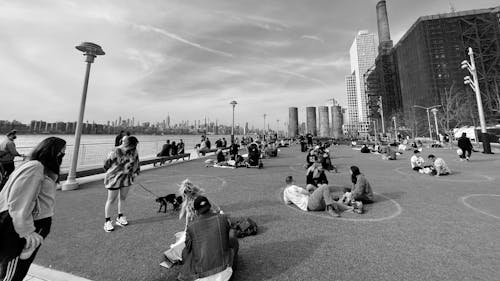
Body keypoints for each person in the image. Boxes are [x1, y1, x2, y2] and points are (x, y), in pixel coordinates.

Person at [0, 137, 66, 281]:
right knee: (13, 271)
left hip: (34, 222)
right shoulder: (36, 167)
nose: (62, 156)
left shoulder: (35, 166)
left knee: (17, 268)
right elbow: (18, 200)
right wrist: (27, 231)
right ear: (51, 151)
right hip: (29, 224)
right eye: (61, 153)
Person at [178, 196, 238, 281]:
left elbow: (188, 248)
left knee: (185, 251)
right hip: (226, 274)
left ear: (196, 211)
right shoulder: (223, 218)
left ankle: (190, 274)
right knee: (232, 235)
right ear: (210, 206)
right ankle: (233, 267)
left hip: (202, 276)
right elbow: (228, 237)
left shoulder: (191, 226)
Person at [103, 136, 140, 232]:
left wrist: (135, 173)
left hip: (127, 178)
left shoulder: (134, 151)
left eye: (134, 146)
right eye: (132, 145)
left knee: (123, 197)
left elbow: (136, 163)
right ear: (126, 144)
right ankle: (107, 221)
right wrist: (115, 171)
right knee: (111, 200)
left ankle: (120, 216)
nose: (133, 147)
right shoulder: (115, 151)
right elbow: (106, 164)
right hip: (114, 178)